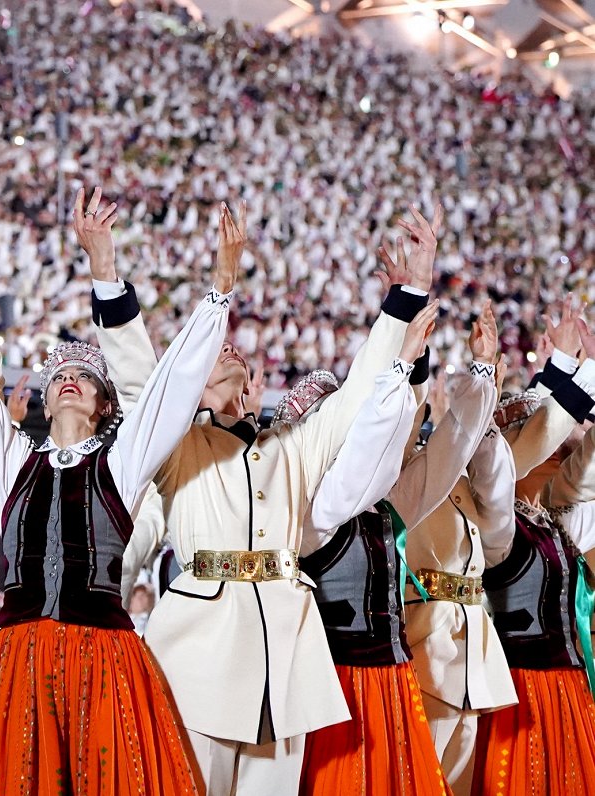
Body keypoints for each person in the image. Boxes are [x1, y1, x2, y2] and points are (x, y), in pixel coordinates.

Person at [91, 197, 439, 794]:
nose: (228, 353)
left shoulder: (291, 449)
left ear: (254, 392)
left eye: (239, 359)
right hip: (195, 652)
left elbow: (356, 396)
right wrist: (104, 269)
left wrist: (406, 300)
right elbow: (138, 378)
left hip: (286, 652)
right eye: (215, 354)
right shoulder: (178, 448)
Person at [0, 189, 240, 794]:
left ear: (104, 403)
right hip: (21, 653)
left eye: (83, 377)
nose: (67, 382)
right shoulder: (13, 459)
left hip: (102, 655)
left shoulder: (123, 459)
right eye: (58, 375)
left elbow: (173, 384)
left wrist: (216, 292)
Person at [295, 301, 500, 794]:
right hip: (335, 691)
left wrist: (482, 374)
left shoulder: (385, 509)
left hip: (395, 683)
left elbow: (450, 449)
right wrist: (401, 366)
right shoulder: (306, 514)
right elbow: (363, 456)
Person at [402, 301, 595, 793]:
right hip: (428, 649)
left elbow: (533, 434)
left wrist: (572, 368)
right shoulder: (410, 466)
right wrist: (413, 345)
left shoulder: (485, 479)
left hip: (477, 662)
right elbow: (416, 412)